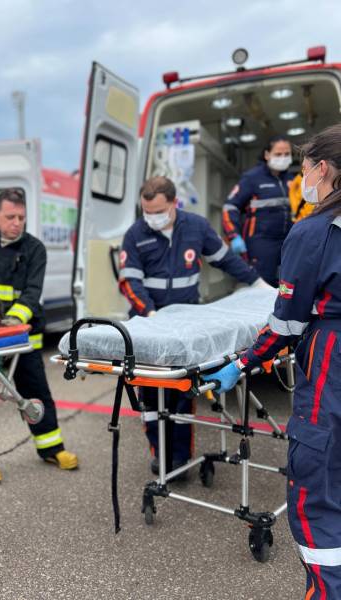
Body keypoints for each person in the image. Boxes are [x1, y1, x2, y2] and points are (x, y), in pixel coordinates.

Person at [205, 124, 341, 598]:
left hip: (332, 362)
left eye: (302, 165)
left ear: (321, 168)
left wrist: (240, 365)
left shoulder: (314, 232)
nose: (298, 173)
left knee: (316, 493)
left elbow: (286, 324)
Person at [119, 176, 267, 476]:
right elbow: (129, 282)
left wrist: (257, 283)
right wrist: (149, 314)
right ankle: (161, 455)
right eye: (147, 212)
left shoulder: (196, 227)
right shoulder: (135, 234)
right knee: (151, 399)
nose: (152, 218)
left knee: (182, 394)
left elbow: (225, 260)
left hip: (185, 322)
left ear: (174, 204)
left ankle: (181, 459)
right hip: (151, 323)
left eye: (158, 211)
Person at [0, 188, 78, 484]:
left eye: (21, 217)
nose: (17, 222)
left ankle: (51, 447)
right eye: (10, 216)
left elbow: (33, 295)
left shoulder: (35, 249)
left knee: (36, 392)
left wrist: (12, 322)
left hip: (22, 336)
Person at [222, 136, 295, 287]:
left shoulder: (293, 181)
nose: (283, 158)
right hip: (260, 244)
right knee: (261, 285)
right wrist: (233, 236)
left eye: (287, 154)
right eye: (278, 154)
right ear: (267, 155)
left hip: (288, 243)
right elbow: (230, 207)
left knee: (287, 286)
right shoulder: (252, 178)